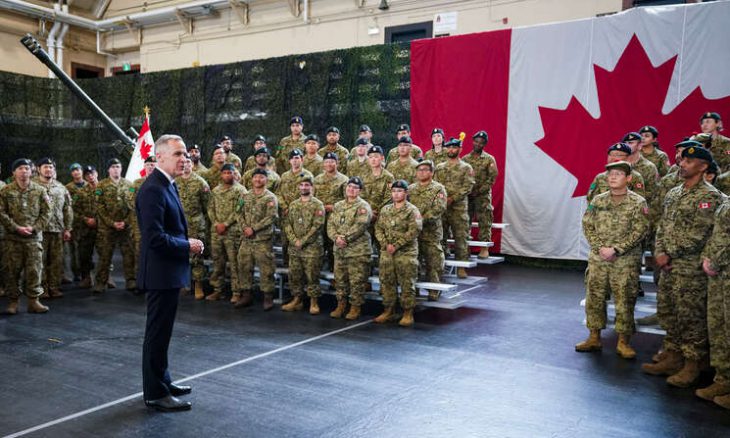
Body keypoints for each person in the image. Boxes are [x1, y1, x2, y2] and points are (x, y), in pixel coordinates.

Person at [642, 145, 723, 387]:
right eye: (682, 160)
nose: (682, 164)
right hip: (668, 266)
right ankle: (673, 356)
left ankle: (693, 364)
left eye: (689, 161)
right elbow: (662, 226)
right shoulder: (674, 193)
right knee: (669, 313)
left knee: (691, 317)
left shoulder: (710, 197)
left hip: (691, 269)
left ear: (703, 166)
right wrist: (659, 252)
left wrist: (669, 254)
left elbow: (700, 234)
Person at [137, 134, 203, 412]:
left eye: (185, 154)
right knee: (157, 334)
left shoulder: (167, 184)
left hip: (168, 272)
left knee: (163, 334)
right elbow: (155, 238)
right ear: (160, 157)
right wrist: (187, 245)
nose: (184, 159)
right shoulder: (153, 189)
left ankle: (163, 382)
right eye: (178, 154)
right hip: (160, 273)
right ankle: (155, 393)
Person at [576, 161, 649, 358]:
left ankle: (623, 342)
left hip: (625, 260)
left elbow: (641, 230)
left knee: (625, 300)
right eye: (610, 174)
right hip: (599, 258)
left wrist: (617, 249)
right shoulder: (598, 200)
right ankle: (594, 337)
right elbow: (588, 225)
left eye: (618, 174)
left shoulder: (638, 202)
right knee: (595, 298)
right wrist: (600, 248)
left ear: (629, 178)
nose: (613, 177)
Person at [0, 158, 51, 314]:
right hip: (12, 239)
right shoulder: (6, 191)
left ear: (31, 171)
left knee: (35, 270)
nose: (24, 171)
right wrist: (16, 228)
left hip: (33, 239)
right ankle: (13, 302)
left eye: (26, 168)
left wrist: (34, 228)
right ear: (14, 172)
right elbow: (1, 212)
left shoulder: (39, 190)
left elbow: (46, 213)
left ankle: (34, 301)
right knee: (11, 271)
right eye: (20, 168)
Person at [696, 196, 730, 408]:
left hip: (723, 268)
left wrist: (714, 261)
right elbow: (717, 235)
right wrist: (707, 258)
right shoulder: (727, 202)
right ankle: (723, 379)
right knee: (719, 328)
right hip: (720, 276)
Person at [374, 180, 423, 326]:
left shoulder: (412, 210)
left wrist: (396, 245)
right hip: (387, 252)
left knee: (407, 283)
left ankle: (408, 313)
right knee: (386, 281)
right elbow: (378, 228)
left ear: (406, 193)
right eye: (394, 191)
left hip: (406, 252)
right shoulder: (386, 209)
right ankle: (389, 310)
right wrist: (385, 244)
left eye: (399, 191)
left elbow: (414, 230)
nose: (396, 194)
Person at [327, 177, 373, 319]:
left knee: (357, 281)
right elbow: (330, 224)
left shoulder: (363, 206)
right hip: (340, 250)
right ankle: (341, 305)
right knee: (340, 280)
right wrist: (336, 238)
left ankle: (355, 307)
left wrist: (344, 238)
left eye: (355, 187)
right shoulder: (338, 205)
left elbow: (360, 226)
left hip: (357, 251)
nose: (351, 189)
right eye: (349, 186)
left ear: (360, 190)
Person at [281, 176, 326, 314]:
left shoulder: (318, 204)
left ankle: (314, 302)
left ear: (312, 187)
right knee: (295, 275)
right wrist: (294, 240)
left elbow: (317, 226)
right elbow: (287, 224)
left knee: (312, 276)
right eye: (301, 185)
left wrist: (303, 241)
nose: (304, 187)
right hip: (295, 248)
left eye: (307, 185)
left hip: (312, 248)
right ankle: (297, 300)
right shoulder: (293, 205)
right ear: (298, 187)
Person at [236, 168, 279, 310]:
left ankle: (268, 297)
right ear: (252, 179)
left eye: (261, 177)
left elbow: (271, 217)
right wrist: (245, 228)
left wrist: (253, 229)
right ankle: (246, 295)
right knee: (244, 267)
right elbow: (238, 213)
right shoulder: (245, 196)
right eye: (256, 177)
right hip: (246, 239)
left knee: (266, 269)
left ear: (266, 180)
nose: (258, 179)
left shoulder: (270, 197)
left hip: (262, 240)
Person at [93, 158, 136, 294]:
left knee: (129, 255)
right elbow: (99, 207)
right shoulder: (101, 185)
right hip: (107, 228)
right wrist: (112, 223)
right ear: (108, 170)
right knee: (105, 256)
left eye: (118, 166)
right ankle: (101, 282)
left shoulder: (129, 185)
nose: (115, 169)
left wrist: (126, 222)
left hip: (125, 227)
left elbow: (133, 207)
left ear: (121, 168)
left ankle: (131, 280)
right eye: (113, 167)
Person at [434, 137, 475, 278]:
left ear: (460, 149)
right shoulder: (439, 167)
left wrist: (453, 198)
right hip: (442, 208)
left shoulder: (466, 167)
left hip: (459, 208)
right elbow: (435, 186)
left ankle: (461, 267)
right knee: (440, 237)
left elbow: (468, 186)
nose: (451, 150)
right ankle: (441, 266)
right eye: (449, 147)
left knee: (461, 237)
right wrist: (443, 199)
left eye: (454, 147)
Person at [207, 163, 246, 302]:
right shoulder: (215, 191)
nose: (227, 175)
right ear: (221, 175)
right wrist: (216, 223)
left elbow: (239, 210)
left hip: (233, 232)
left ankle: (236, 291)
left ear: (235, 174)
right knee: (218, 262)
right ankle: (218, 289)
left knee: (235, 263)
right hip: (217, 232)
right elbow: (210, 208)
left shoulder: (241, 191)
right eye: (225, 173)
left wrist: (226, 224)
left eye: (230, 173)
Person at [408, 160, 447, 301]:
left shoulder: (438, 188)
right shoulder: (410, 188)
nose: (421, 172)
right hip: (413, 233)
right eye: (419, 170)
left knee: (434, 263)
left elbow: (439, 208)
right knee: (413, 263)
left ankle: (434, 290)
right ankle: (414, 290)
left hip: (431, 232)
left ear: (431, 172)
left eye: (425, 170)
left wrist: (420, 219)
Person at [36, 157, 73, 299]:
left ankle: (54, 287)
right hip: (39, 231)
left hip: (57, 230)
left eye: (51, 167)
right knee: (40, 261)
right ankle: (43, 289)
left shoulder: (61, 187)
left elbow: (67, 209)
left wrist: (68, 228)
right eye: (45, 166)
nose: (48, 169)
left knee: (56, 261)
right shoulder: (32, 186)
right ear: (39, 169)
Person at [178, 156, 211, 300]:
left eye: (188, 162)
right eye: (183, 162)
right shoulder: (175, 182)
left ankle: (198, 284)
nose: (185, 165)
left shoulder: (200, 182)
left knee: (197, 256)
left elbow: (207, 206)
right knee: (179, 254)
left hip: (196, 224)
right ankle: (183, 283)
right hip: (179, 224)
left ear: (192, 164)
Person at [464, 130, 499, 259]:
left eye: (481, 142)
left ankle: (484, 248)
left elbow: (492, 178)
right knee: (465, 220)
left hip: (482, 196)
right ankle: (465, 248)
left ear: (484, 144)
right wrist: (468, 190)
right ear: (473, 142)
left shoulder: (489, 159)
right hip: (468, 195)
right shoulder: (465, 159)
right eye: (476, 141)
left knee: (484, 220)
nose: (478, 144)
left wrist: (479, 191)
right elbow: (462, 177)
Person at [313, 152, 348, 271]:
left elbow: (348, 201)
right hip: (320, 217)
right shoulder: (317, 179)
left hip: (336, 218)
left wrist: (333, 207)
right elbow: (312, 198)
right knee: (319, 242)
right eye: (327, 162)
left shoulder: (344, 180)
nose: (329, 164)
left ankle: (334, 272)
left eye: (332, 161)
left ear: (337, 163)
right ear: (323, 164)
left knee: (333, 244)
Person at [76, 166, 99, 289]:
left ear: (96, 174)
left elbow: (111, 208)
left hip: (102, 227)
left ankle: (105, 277)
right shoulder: (81, 192)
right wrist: (86, 219)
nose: (90, 176)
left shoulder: (105, 189)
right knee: (84, 255)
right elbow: (75, 210)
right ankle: (86, 278)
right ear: (84, 177)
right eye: (87, 174)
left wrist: (98, 220)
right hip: (86, 229)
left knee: (105, 254)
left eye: (92, 173)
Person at [65, 162, 86, 281]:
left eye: (78, 169)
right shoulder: (68, 188)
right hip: (75, 223)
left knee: (87, 250)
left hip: (89, 224)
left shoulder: (89, 185)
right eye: (73, 170)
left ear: (81, 171)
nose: (76, 172)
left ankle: (87, 273)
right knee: (74, 250)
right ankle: (76, 273)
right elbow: (67, 207)